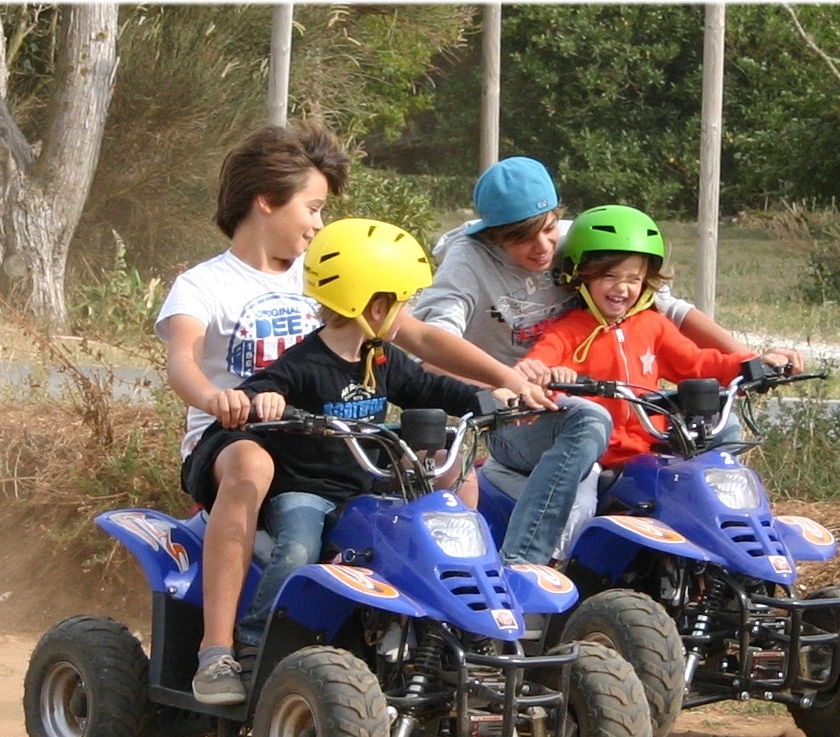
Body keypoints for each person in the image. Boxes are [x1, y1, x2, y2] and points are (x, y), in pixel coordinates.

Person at [157, 122, 550, 706]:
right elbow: (181, 363)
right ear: (266, 200)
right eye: (312, 207)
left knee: (449, 473)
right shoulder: (205, 285)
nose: (319, 224)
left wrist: (503, 380)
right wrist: (218, 398)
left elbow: (417, 342)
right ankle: (219, 650)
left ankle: (440, 641)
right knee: (253, 466)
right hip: (237, 433)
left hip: (336, 437)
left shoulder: (331, 276)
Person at [410, 156, 786, 564]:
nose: (543, 248)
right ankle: (529, 562)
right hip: (519, 411)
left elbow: (666, 309)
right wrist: (506, 382)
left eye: (549, 228)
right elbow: (433, 346)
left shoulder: (579, 240)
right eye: (522, 238)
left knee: (717, 421)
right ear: (493, 236)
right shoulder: (468, 262)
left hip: (598, 397)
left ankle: (721, 560)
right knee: (588, 420)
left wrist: (750, 360)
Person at [225, 218, 515, 653]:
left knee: (419, 540)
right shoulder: (306, 362)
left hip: (365, 488)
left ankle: (434, 640)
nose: (408, 315)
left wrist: (489, 401)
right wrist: (264, 397)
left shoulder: (380, 358)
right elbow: (262, 387)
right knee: (299, 549)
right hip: (307, 491)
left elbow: (430, 388)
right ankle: (257, 640)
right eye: (404, 304)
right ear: (375, 308)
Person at [524, 204, 800, 467]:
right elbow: (536, 369)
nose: (622, 288)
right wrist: (550, 377)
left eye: (633, 279)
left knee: (716, 455)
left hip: (652, 450)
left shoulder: (653, 326)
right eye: (609, 276)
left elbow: (698, 363)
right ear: (581, 275)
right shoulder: (566, 332)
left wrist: (753, 366)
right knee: (579, 506)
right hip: (596, 457)